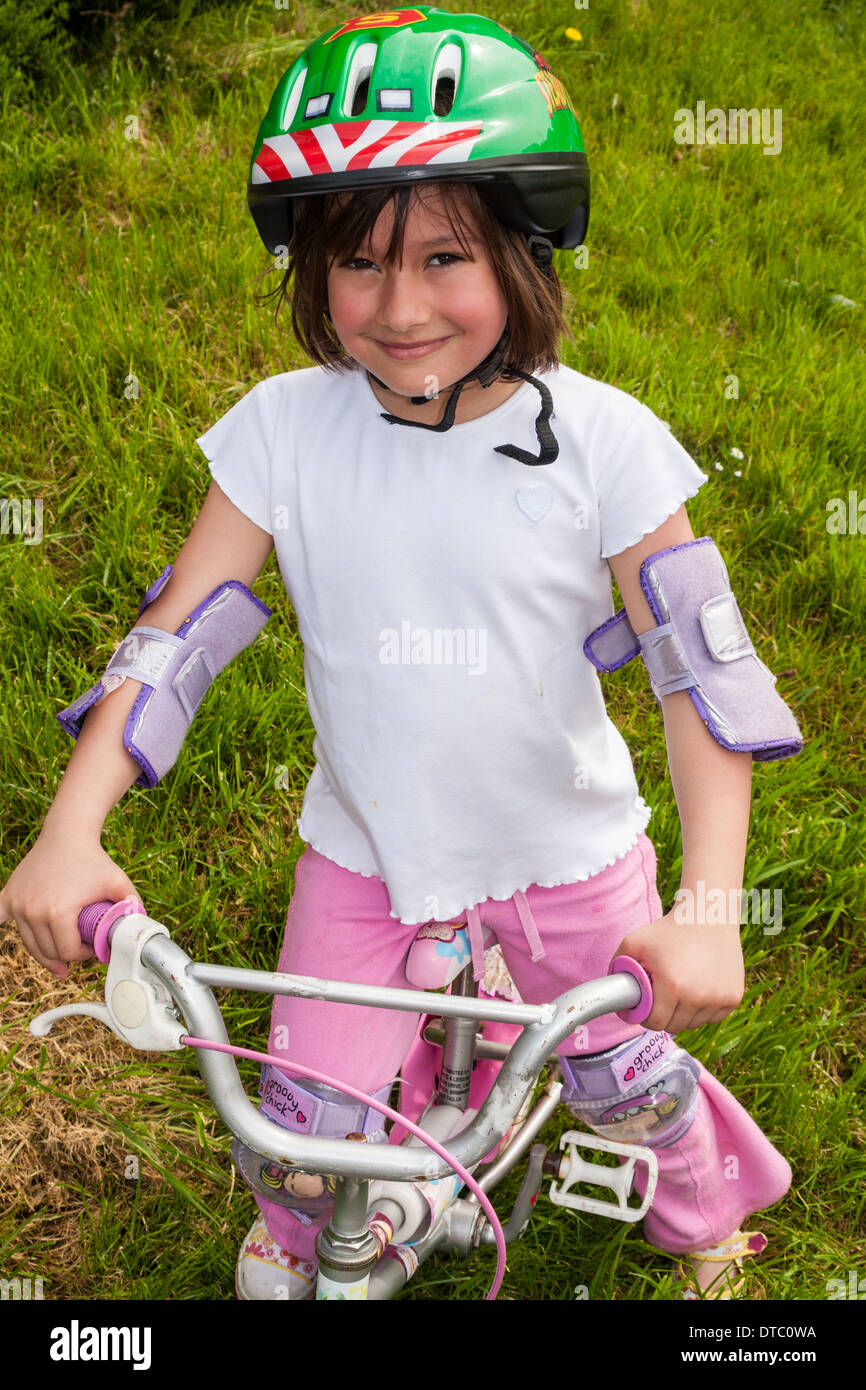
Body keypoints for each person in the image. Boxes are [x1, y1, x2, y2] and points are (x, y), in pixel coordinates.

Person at [1, 7, 801, 1302]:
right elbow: (177, 636)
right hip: (363, 851)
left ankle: (707, 1209)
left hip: (566, 857)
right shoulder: (280, 432)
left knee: (618, 1070)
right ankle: (353, 1183)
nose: (399, 304)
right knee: (300, 1124)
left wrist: (707, 906)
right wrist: (70, 821)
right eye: (358, 263)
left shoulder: (603, 442)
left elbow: (700, 674)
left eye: (444, 255)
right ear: (308, 269)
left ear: (526, 249)